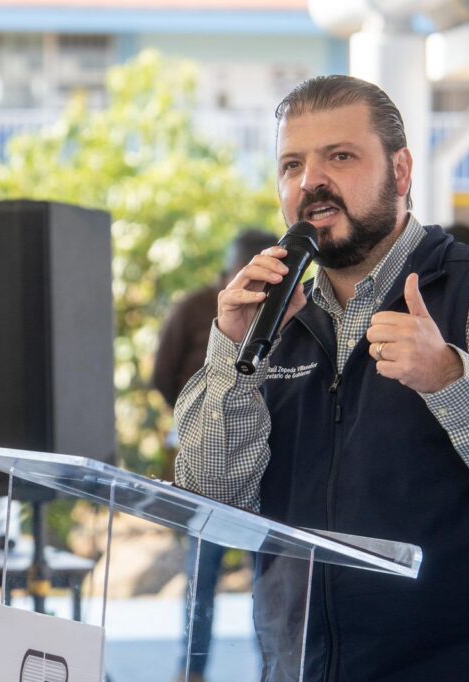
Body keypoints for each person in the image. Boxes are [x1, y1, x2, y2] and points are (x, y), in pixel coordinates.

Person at [174, 74, 469, 681]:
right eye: (292, 165)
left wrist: (450, 379)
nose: (311, 181)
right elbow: (213, 498)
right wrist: (233, 354)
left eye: (340, 157)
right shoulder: (272, 321)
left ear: (401, 172)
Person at [153, 228, 279, 682]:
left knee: (265, 576)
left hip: (265, 461)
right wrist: (201, 420)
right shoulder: (194, 308)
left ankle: (270, 667)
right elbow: (162, 374)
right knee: (202, 573)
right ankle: (192, 669)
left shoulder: (284, 311)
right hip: (206, 460)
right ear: (229, 272)